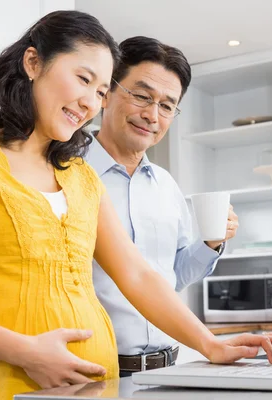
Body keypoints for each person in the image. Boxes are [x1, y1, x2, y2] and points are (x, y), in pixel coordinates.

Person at [0, 10, 272, 400]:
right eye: (83, 79)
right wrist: (28, 352)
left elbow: (137, 276)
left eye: (101, 91)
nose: (90, 102)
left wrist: (211, 344)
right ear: (33, 62)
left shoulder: (80, 177)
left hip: (92, 389)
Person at [84, 36, 240, 376]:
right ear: (106, 93)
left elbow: (172, 277)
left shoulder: (166, 186)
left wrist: (211, 244)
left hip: (167, 368)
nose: (152, 115)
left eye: (167, 106)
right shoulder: (68, 172)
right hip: (96, 371)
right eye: (141, 96)